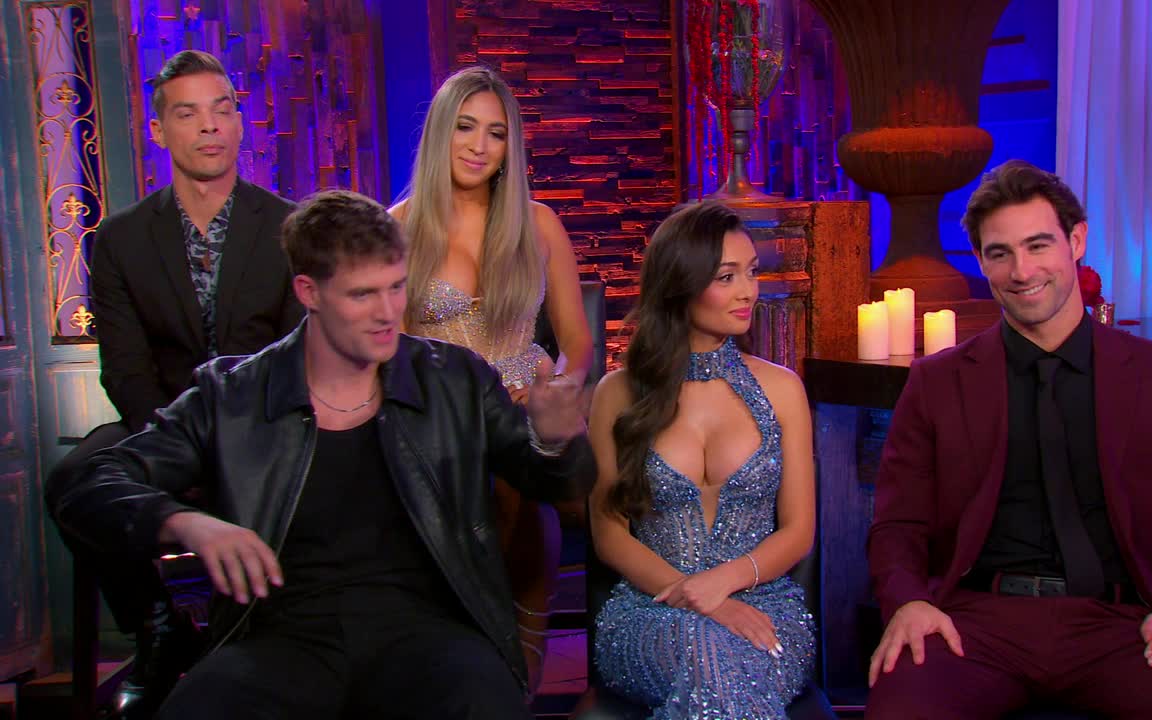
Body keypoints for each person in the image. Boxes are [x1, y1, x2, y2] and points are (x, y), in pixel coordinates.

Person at [46, 189, 594, 720]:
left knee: (484, 701)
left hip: (428, 633)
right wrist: (186, 523)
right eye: (362, 295)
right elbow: (88, 484)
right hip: (279, 640)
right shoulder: (234, 394)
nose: (388, 313)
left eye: (397, 287)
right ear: (308, 292)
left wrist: (553, 441)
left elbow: (555, 482)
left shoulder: (455, 379)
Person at [865, 160, 1152, 719]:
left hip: (1126, 628)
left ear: (1076, 241)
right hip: (974, 626)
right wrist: (908, 601)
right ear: (981, 261)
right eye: (1000, 253)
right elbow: (897, 525)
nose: (1022, 270)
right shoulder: (937, 382)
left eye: (1038, 245)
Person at [44, 49, 301, 715]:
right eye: (189, 114)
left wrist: (236, 442)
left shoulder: (288, 226)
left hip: (267, 427)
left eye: (222, 110)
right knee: (74, 479)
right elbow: (126, 369)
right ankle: (158, 627)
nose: (210, 126)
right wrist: (180, 447)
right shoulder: (122, 238)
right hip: (163, 427)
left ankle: (265, 644)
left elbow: (297, 356)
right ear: (160, 131)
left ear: (238, 123)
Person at [390, 65, 593, 690]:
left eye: (496, 133)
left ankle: (520, 661)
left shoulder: (539, 223)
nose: (479, 146)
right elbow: (388, 351)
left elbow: (577, 343)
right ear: (440, 133)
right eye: (466, 127)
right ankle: (481, 652)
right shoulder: (397, 228)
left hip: (528, 403)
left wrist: (559, 388)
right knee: (496, 474)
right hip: (441, 411)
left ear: (511, 146)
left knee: (524, 467)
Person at [588, 202, 817, 718]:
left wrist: (723, 585)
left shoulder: (783, 390)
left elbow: (798, 531)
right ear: (680, 284)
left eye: (752, 272)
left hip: (765, 606)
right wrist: (699, 597)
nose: (748, 291)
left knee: (723, 661)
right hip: (652, 607)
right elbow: (609, 535)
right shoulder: (616, 394)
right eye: (726, 277)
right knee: (706, 652)